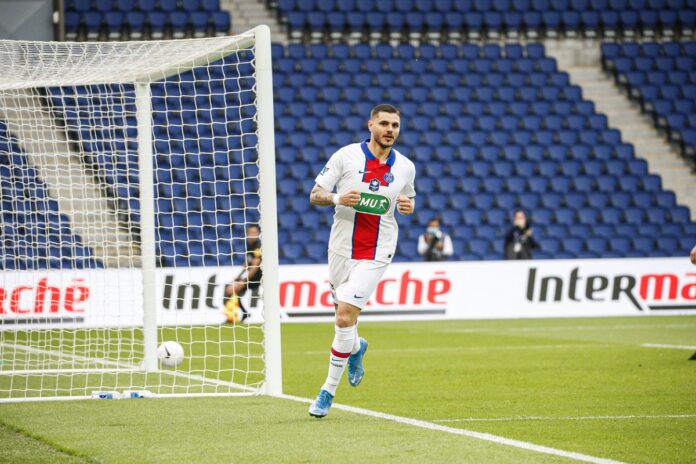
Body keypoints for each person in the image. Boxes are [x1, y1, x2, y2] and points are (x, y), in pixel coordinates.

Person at [307, 104, 416, 418]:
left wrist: (408, 206)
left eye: (395, 125)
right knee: (343, 318)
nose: (390, 130)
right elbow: (315, 194)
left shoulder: (405, 166)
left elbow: (409, 197)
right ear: (371, 125)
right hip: (341, 249)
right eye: (384, 123)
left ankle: (327, 392)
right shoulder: (346, 156)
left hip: (377, 251)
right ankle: (356, 348)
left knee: (344, 318)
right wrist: (338, 198)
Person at [223, 224, 262, 323]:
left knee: (231, 289)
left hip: (258, 277)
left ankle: (236, 315)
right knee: (230, 289)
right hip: (251, 277)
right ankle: (240, 314)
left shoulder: (258, 247)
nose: (252, 235)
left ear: (259, 233)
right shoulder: (249, 245)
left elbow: (255, 266)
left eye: (255, 232)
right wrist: (238, 277)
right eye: (250, 232)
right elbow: (247, 263)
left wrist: (245, 280)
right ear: (247, 234)